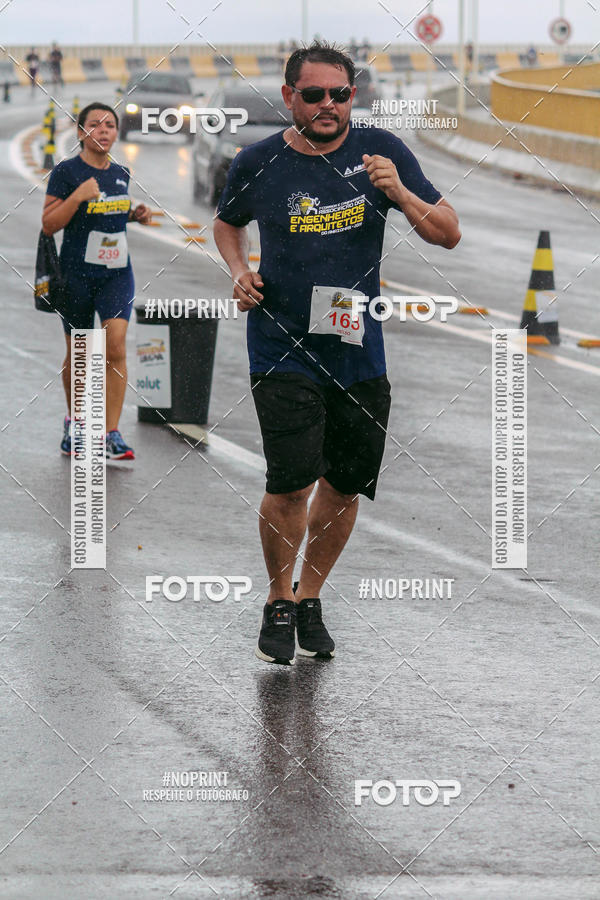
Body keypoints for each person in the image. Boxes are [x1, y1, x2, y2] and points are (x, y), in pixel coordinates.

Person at [214, 41, 461, 666]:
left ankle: (309, 596)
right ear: (290, 96)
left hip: (358, 351)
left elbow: (449, 232)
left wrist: (400, 193)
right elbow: (227, 221)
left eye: (341, 94)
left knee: (345, 486)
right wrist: (240, 269)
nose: (330, 106)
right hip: (281, 347)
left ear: (354, 95)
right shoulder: (258, 162)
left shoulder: (383, 154)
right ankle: (276, 597)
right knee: (290, 482)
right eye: (316, 94)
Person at [42, 102, 152, 460]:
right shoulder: (66, 172)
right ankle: (75, 424)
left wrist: (134, 215)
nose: (103, 131)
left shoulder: (122, 172)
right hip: (75, 275)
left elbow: (110, 217)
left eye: (109, 125)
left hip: (117, 272)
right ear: (80, 132)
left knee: (116, 345)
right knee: (81, 353)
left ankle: (110, 433)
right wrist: (76, 196)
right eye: (95, 125)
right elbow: (49, 224)